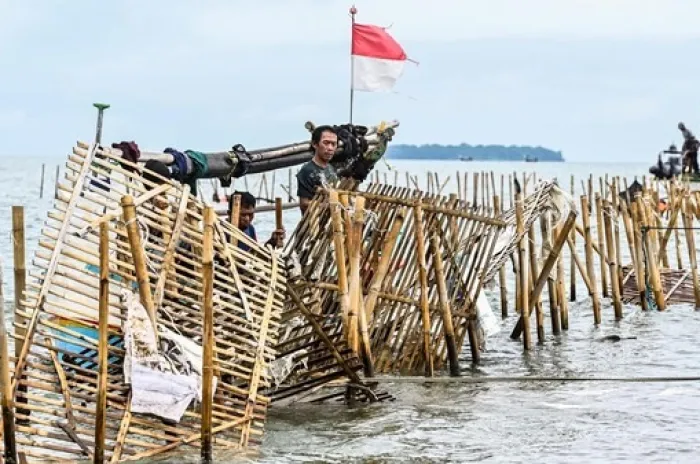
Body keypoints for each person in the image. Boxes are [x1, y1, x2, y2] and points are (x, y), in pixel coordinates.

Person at [297, 125, 339, 214]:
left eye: (333, 144)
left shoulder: (331, 168)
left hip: (332, 223)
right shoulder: (307, 170)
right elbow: (304, 204)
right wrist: (328, 206)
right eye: (326, 143)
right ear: (315, 144)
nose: (330, 148)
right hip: (314, 223)